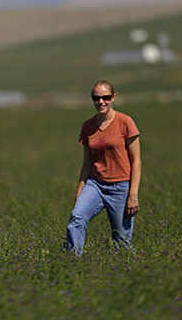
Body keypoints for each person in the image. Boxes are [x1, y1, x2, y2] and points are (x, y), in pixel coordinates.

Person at [66, 79, 142, 255]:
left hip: (120, 186)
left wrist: (133, 194)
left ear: (113, 97)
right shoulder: (88, 126)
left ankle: (123, 274)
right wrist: (80, 190)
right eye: (96, 98)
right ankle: (73, 262)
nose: (101, 102)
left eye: (105, 97)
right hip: (95, 184)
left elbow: (136, 160)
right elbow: (87, 163)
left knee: (121, 240)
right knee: (76, 218)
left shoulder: (125, 122)